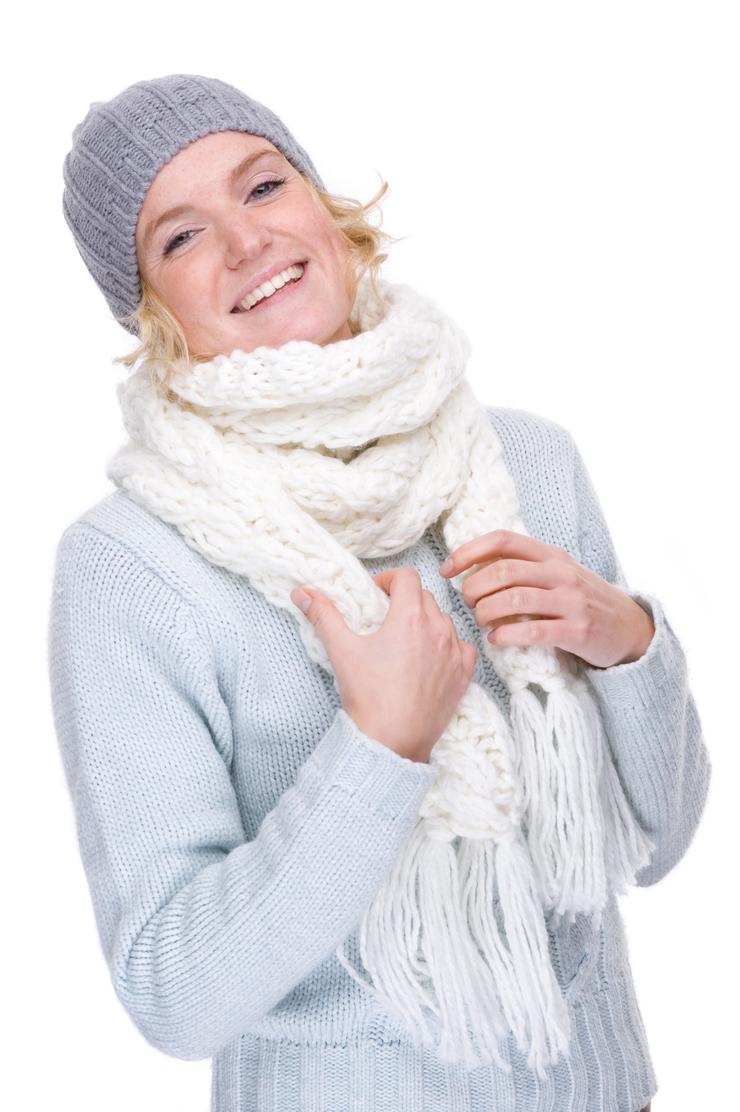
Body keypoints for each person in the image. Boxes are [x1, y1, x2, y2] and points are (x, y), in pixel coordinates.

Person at [47, 73, 710, 1112]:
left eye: (263, 185)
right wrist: (379, 747)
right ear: (149, 308)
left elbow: (657, 846)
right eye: (181, 237)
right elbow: (173, 993)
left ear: (323, 205)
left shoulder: (528, 463)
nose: (247, 240)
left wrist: (628, 646)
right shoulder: (131, 565)